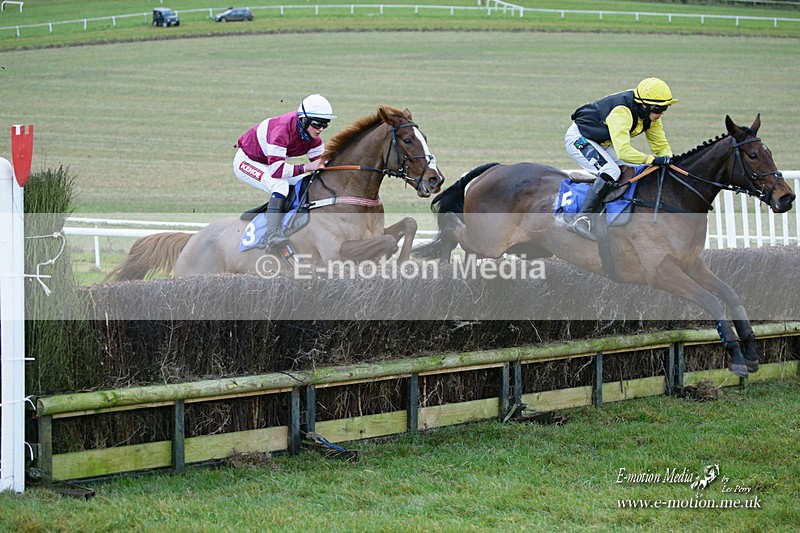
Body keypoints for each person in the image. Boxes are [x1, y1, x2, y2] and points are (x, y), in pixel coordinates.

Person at [564, 77, 678, 240]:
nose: (661, 114)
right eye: (658, 109)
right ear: (644, 105)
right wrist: (651, 160)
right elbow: (624, 151)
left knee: (631, 169)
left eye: (665, 108)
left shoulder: (651, 118)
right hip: (580, 138)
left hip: (602, 141)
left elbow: (660, 146)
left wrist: (669, 162)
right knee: (611, 170)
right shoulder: (622, 112)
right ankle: (582, 218)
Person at [233, 94, 336, 249]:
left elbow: (322, 166)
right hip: (247, 161)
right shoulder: (281, 131)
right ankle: (272, 235)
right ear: (303, 120)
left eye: (325, 124)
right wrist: (308, 167)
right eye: (317, 124)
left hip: (269, 163)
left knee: (304, 182)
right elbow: (277, 170)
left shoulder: (313, 139)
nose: (320, 129)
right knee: (279, 185)